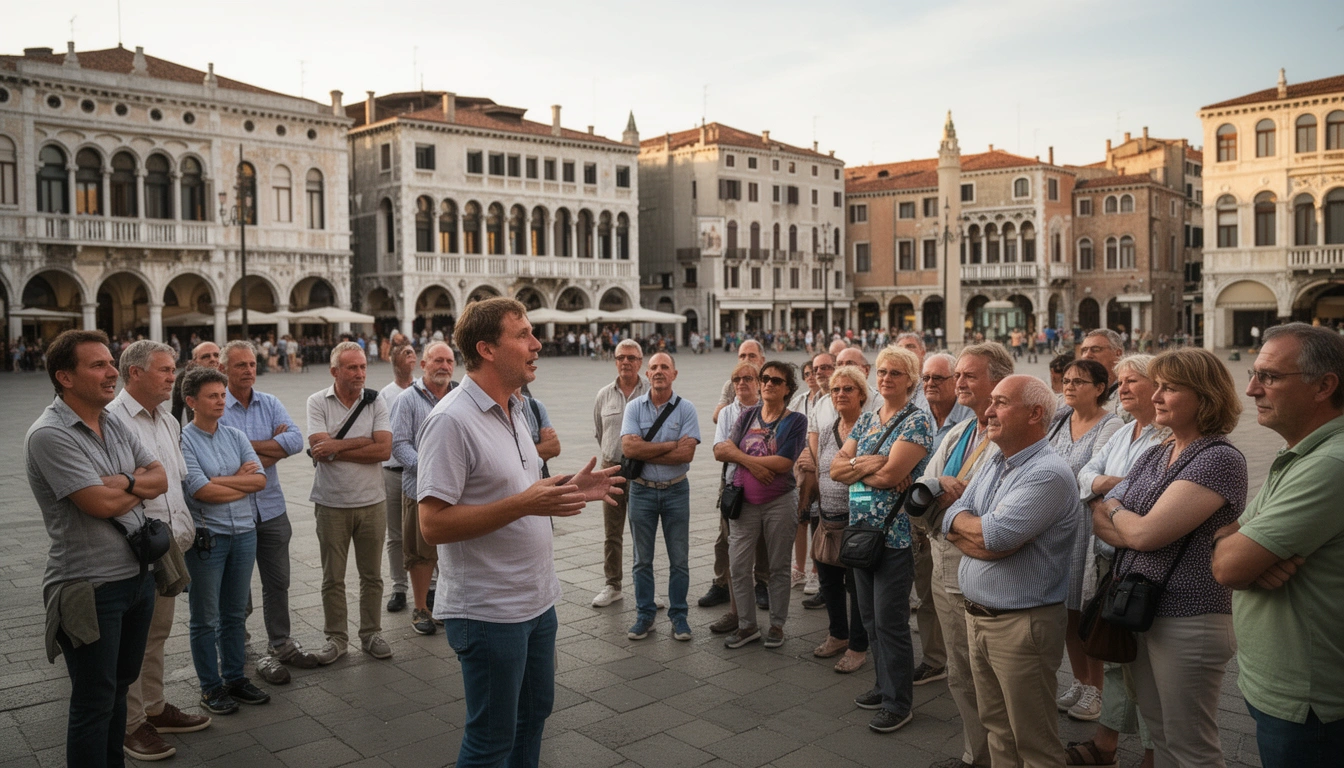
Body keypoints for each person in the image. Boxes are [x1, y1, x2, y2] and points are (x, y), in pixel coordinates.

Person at [417, 297, 622, 767]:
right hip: (489, 611)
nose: (537, 344)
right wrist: (526, 503)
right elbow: (432, 525)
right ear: (487, 349)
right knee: (490, 739)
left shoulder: (517, 407)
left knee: (534, 716)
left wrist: (569, 485)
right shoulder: (451, 420)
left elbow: (514, 486)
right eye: (523, 335)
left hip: (536, 599)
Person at [1091, 347, 1247, 768]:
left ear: (1206, 397)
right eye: (1156, 386)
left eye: (1170, 388)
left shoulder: (1217, 459)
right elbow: (1098, 520)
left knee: (1191, 743)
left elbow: (1142, 533)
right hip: (1144, 611)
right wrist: (1124, 520)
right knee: (1158, 731)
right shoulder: (1159, 452)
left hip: (1188, 618)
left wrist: (1119, 512)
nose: (1156, 396)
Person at [27, 330, 170, 767]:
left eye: (110, 363)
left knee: (119, 688)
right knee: (93, 701)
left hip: (137, 577)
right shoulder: (49, 435)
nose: (112, 373)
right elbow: (97, 503)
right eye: (99, 365)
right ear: (65, 377)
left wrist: (124, 482)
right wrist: (135, 487)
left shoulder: (112, 422)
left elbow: (160, 476)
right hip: (88, 588)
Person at [1212, 323, 1344, 768]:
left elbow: (1228, 567)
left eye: (1269, 376)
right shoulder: (1303, 452)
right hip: (1281, 690)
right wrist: (1238, 546)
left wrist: (1240, 550)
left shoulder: (1330, 464)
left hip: (1308, 702)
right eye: (1253, 373)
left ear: (1325, 386)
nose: (1250, 389)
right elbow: (1228, 540)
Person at [943, 374, 1078, 768]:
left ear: (1035, 413)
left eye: (1000, 402)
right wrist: (974, 533)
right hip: (980, 617)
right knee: (997, 729)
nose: (988, 410)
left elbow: (996, 536)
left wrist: (972, 530)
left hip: (1022, 626)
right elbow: (952, 514)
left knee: (1033, 741)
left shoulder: (1047, 472)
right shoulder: (995, 459)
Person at [108, 341, 212, 761]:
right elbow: (116, 487)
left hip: (170, 545)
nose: (175, 377)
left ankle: (153, 707)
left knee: (157, 634)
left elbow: (177, 479)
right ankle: (131, 725)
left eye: (174, 370)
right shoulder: (113, 420)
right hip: (133, 547)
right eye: (166, 370)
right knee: (133, 641)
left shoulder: (168, 419)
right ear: (134, 373)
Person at [1065, 354, 1168, 767]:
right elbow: (1083, 476)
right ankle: (1106, 743)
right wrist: (1113, 488)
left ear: (1157, 386)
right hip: (1110, 560)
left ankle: (1151, 752)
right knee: (1114, 655)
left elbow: (1147, 500)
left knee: (1145, 666)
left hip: (1143, 565)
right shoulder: (1125, 433)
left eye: (1133, 381)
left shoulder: (1164, 438)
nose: (1122, 388)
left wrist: (1105, 498)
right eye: (1120, 381)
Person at [916, 342, 1014, 768]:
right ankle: (977, 752)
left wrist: (943, 498)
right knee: (960, 668)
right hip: (943, 559)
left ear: (998, 381)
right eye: (957, 375)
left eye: (968, 375)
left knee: (987, 674)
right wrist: (941, 489)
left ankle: (998, 755)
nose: (959, 383)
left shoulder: (1007, 437)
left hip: (978, 568)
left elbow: (990, 516)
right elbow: (924, 487)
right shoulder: (958, 432)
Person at [830, 346, 933, 733]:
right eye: (883, 371)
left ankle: (899, 702)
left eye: (895, 373)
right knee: (870, 619)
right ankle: (882, 684)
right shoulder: (869, 419)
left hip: (894, 535)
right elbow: (836, 468)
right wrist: (868, 464)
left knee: (890, 622)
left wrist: (860, 468)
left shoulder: (916, 422)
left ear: (910, 379)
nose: (886, 378)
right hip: (861, 532)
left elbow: (892, 478)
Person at [217, 341, 318, 677]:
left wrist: (245, 451)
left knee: (279, 581)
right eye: (240, 365)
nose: (248, 371)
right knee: (238, 587)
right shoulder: (217, 407)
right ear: (224, 370)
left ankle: (282, 642)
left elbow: (294, 440)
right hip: (235, 511)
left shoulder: (270, 402)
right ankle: (241, 646)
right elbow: (220, 462)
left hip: (272, 507)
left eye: (252, 364)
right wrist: (271, 450)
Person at [179, 366, 271, 715]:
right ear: (192, 401)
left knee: (234, 613)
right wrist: (235, 478)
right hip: (209, 539)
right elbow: (200, 491)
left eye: (222, 395)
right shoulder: (183, 440)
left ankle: (234, 677)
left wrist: (221, 481)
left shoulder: (235, 435)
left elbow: (260, 481)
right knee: (205, 617)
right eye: (213, 396)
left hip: (244, 533)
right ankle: (210, 687)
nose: (221, 401)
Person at [306, 342, 394, 663]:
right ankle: (336, 638)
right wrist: (363, 441)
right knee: (333, 577)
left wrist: (337, 445)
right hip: (330, 503)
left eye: (362, 367)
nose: (359, 373)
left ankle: (370, 633)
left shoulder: (376, 400)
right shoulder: (317, 402)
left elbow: (384, 450)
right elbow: (320, 451)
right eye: (351, 368)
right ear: (335, 371)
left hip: (372, 501)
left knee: (372, 575)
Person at [717, 361, 808, 650]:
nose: (768, 383)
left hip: (779, 502)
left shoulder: (796, 421)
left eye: (776, 381)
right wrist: (754, 466)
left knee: (779, 566)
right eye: (765, 378)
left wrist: (742, 457)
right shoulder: (746, 416)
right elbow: (721, 450)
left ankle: (777, 625)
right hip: (744, 502)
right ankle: (747, 626)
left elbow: (784, 463)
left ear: (788, 389)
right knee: (739, 565)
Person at [1051, 358, 1122, 721]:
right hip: (1056, 527)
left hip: (1086, 528)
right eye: (1066, 380)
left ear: (1100, 387)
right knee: (1066, 611)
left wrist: (1079, 482)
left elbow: (1097, 476)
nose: (1070, 386)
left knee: (1087, 610)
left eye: (1080, 381)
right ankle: (1079, 679)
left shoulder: (1111, 425)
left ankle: (1097, 688)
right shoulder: (1060, 419)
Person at [621, 352, 701, 641]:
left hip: (677, 490)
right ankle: (645, 615)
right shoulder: (634, 408)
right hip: (641, 490)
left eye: (664, 367)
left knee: (679, 559)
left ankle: (679, 617)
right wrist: (670, 446)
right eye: (653, 367)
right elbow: (630, 450)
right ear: (647, 373)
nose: (658, 371)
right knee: (642, 559)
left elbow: (687, 454)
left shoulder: (686, 408)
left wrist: (647, 446)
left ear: (674, 374)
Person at [908, 351, 973, 687]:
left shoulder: (968, 417)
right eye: (926, 378)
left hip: (956, 519)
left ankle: (962, 662)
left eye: (938, 378)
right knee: (927, 592)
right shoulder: (918, 412)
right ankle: (935, 658)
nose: (930, 384)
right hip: (920, 514)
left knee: (955, 596)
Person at [389, 341, 456, 636]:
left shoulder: (459, 396)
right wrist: (431, 468)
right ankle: (420, 609)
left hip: (456, 490)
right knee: (420, 552)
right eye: (437, 360)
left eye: (449, 361)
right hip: (419, 488)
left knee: (452, 549)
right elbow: (399, 444)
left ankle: (444, 605)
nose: (444, 366)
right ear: (423, 365)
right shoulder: (408, 399)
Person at [809, 365, 872, 673]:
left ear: (862, 394)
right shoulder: (826, 428)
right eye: (835, 390)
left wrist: (850, 468)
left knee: (857, 585)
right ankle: (837, 634)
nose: (841, 394)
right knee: (828, 579)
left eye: (848, 389)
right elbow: (823, 470)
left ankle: (858, 647)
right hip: (827, 517)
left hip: (858, 519)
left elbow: (868, 469)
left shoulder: (870, 427)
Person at [701, 340, 773, 611]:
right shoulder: (729, 401)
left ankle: (762, 583)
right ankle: (722, 583)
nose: (742, 381)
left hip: (765, 478)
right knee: (725, 535)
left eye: (751, 358)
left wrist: (740, 450)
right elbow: (720, 445)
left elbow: (774, 444)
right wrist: (748, 458)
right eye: (738, 377)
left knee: (763, 536)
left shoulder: (771, 395)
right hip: (732, 478)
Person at [591, 339, 649, 607]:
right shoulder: (604, 394)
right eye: (620, 357)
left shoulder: (650, 391)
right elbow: (600, 432)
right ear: (615, 361)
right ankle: (612, 584)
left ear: (640, 362)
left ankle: (645, 586)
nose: (625, 362)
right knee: (612, 532)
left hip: (643, 470)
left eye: (631, 357)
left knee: (642, 531)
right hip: (611, 469)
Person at [379, 342, 417, 614]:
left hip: (419, 471)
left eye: (414, 351)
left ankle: (431, 584)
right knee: (395, 535)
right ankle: (399, 587)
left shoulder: (422, 391)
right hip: (392, 472)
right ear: (394, 361)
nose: (412, 354)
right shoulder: (385, 395)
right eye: (406, 352)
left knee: (423, 531)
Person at [791, 359, 824, 597]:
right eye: (807, 373)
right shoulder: (799, 401)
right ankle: (798, 568)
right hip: (800, 465)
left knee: (818, 520)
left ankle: (816, 570)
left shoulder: (829, 398)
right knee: (800, 518)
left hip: (821, 464)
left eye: (814, 372)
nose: (811, 376)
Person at [1079, 330, 1127, 420]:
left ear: (1118, 353)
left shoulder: (1129, 391)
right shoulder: (1076, 389)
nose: (1087, 355)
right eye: (1084, 350)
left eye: (1096, 350)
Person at [171, 341, 221, 425]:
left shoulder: (231, 376)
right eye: (206, 357)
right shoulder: (184, 378)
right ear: (195, 361)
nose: (212, 359)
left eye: (216, 355)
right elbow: (176, 411)